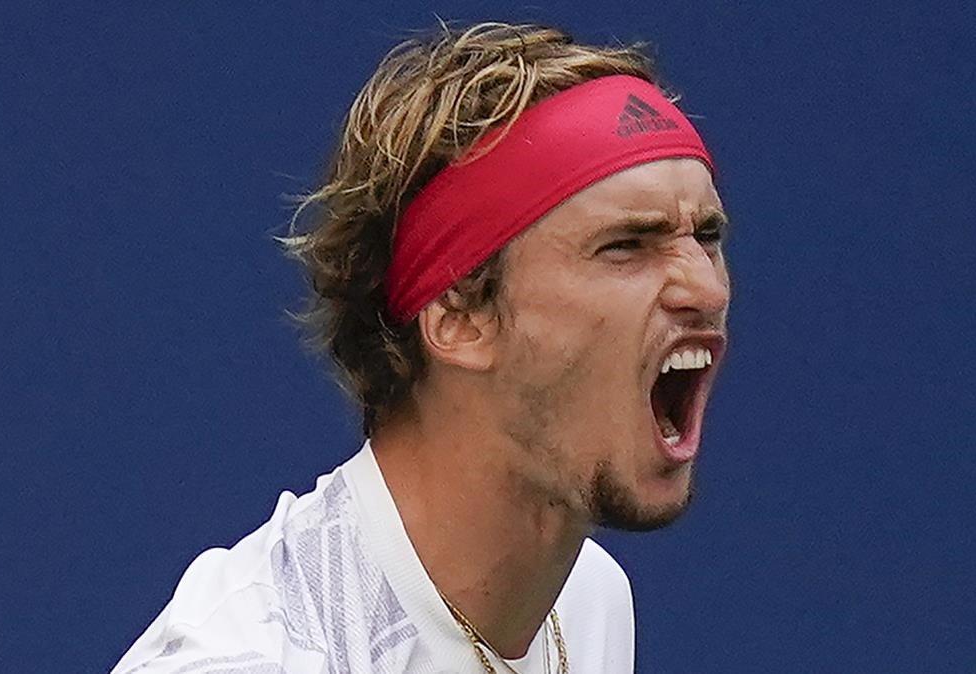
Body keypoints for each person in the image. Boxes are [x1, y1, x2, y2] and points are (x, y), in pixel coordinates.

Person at [114, 21, 730, 674]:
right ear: (459, 315)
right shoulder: (253, 659)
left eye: (708, 236)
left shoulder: (586, 602)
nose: (705, 287)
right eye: (626, 245)